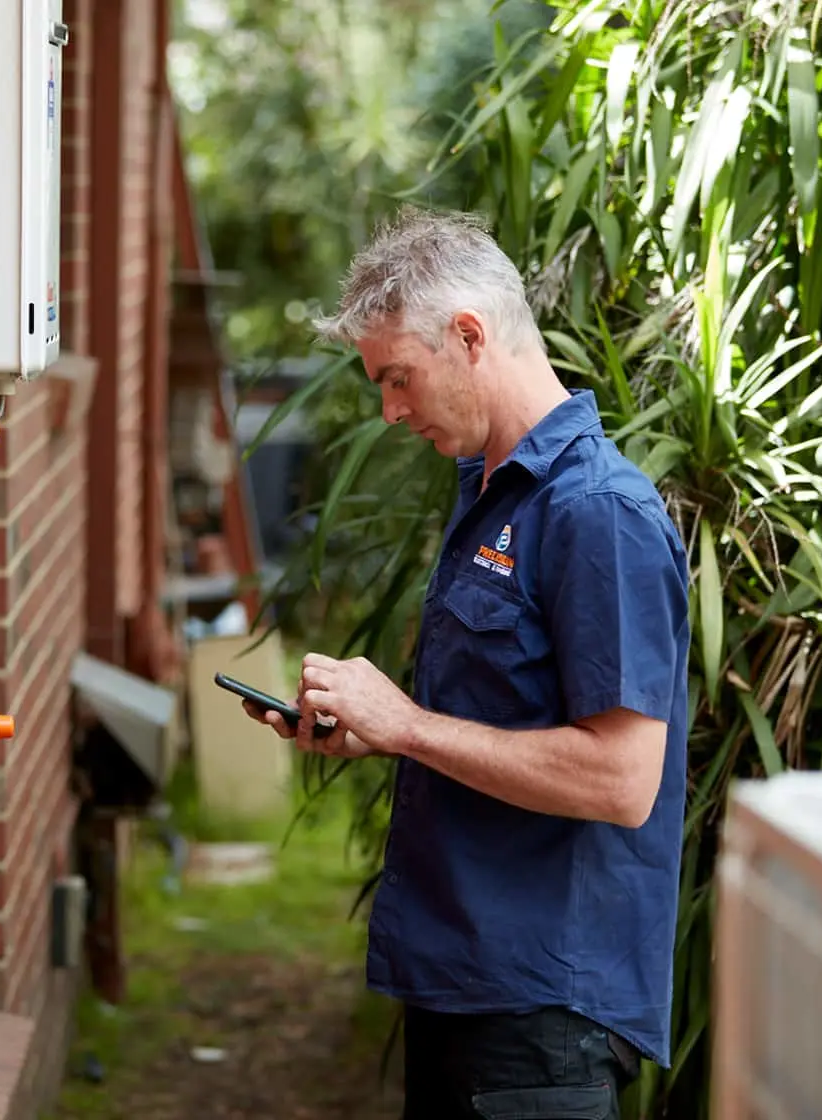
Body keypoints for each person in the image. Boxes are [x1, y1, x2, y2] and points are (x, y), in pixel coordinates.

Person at [241, 207, 690, 1120]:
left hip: (540, 1020)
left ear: (470, 336)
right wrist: (378, 733)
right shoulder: (491, 496)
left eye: (398, 378)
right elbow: (505, 725)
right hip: (464, 992)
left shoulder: (598, 514)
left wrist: (406, 723)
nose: (390, 409)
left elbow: (621, 778)